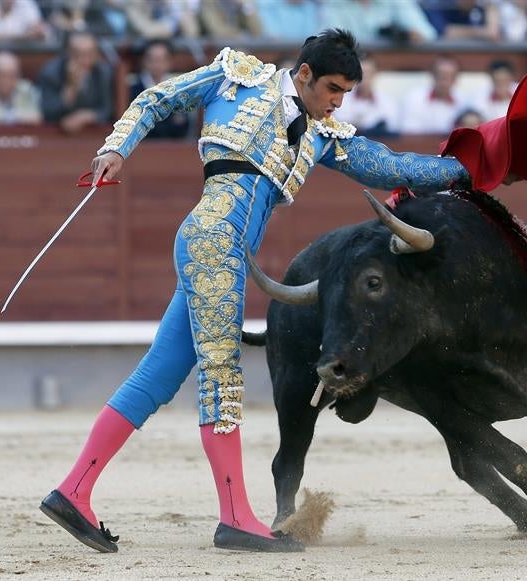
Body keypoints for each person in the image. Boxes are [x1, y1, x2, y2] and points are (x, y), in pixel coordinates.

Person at [39, 29, 470, 554]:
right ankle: (236, 518)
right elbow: (158, 98)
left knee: (157, 376)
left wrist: (471, 170)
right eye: (333, 88)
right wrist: (115, 148)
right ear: (305, 73)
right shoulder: (239, 77)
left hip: (220, 251)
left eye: (346, 94)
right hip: (214, 242)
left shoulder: (321, 133)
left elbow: (394, 167)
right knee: (222, 379)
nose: (337, 102)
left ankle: (74, 491)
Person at [37, 30, 113, 134]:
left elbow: (108, 110)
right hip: (57, 136)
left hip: (94, 135)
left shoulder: (103, 72)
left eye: (90, 54)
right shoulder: (51, 73)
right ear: (68, 53)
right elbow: (48, 112)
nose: (85, 60)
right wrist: (71, 86)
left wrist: (86, 116)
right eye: (78, 54)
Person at [129, 39, 190, 139]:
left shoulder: (178, 89)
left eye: (161, 60)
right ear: (144, 61)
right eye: (153, 60)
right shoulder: (133, 90)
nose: (157, 65)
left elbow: (183, 125)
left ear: (169, 62)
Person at [399, 55, 470, 134]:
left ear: (456, 78)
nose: (444, 81)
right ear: (433, 75)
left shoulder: (463, 101)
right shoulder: (414, 98)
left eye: (450, 77)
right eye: (441, 75)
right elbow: (410, 133)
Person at [334, 54, 399, 135]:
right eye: (361, 73)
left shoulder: (388, 102)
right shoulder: (341, 99)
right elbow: (338, 126)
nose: (364, 77)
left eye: (369, 72)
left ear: (375, 74)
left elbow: (392, 129)